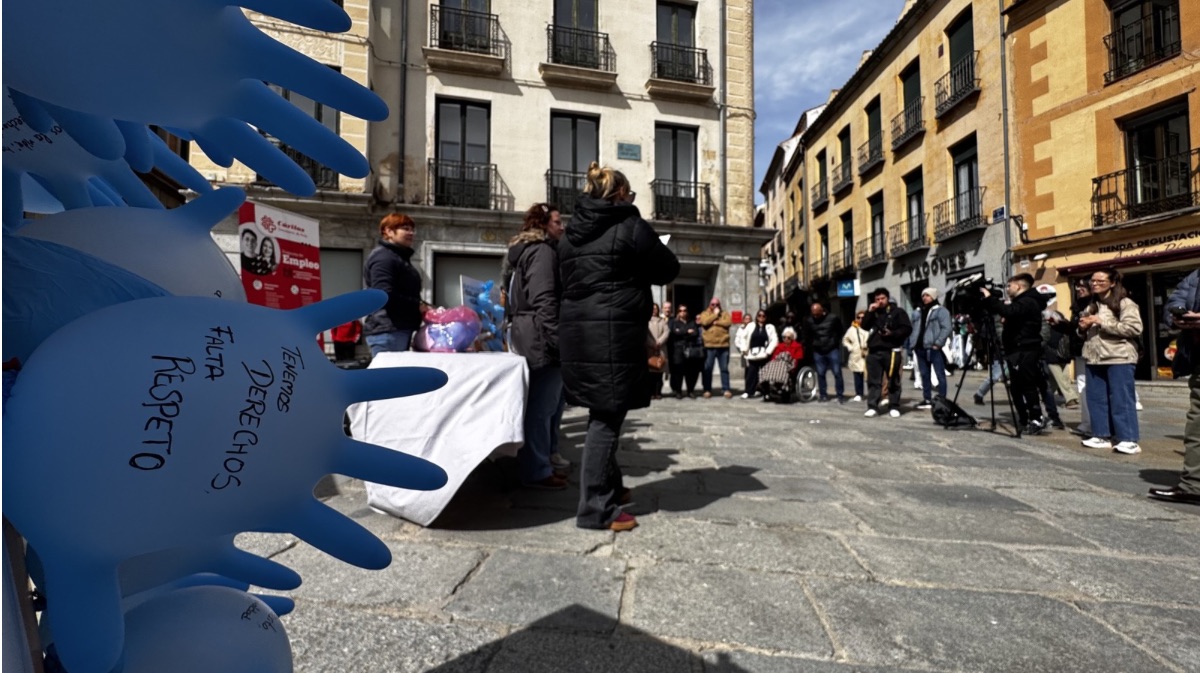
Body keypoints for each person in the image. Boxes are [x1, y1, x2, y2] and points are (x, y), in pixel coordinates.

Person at [558, 163, 679, 532]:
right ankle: (596, 510)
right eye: (630, 195)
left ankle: (612, 487)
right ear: (621, 194)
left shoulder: (568, 235)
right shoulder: (631, 227)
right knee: (606, 421)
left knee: (603, 412)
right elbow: (668, 269)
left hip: (579, 333)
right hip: (612, 334)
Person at [507, 202, 567, 490]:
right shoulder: (543, 252)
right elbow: (545, 300)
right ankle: (537, 469)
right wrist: (559, 342)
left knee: (538, 406)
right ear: (543, 225)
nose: (562, 226)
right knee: (542, 407)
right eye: (557, 221)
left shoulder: (523, 254)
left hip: (527, 333)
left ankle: (537, 462)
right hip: (541, 339)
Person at [1148, 267, 1200, 505]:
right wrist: (1177, 316)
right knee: (1196, 427)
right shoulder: (1196, 276)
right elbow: (1176, 298)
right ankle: (1194, 484)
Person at [1076, 268, 1143, 454]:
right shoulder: (1092, 305)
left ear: (1112, 283)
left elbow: (1133, 328)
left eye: (1100, 281)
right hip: (1094, 356)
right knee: (1096, 398)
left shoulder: (1125, 303)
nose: (1094, 284)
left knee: (1121, 398)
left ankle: (1128, 438)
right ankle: (1100, 434)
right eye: (1093, 281)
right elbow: (1083, 333)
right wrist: (1082, 328)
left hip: (1119, 356)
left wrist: (1101, 322)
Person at [363, 213, 427, 356]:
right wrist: (417, 305)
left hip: (397, 330)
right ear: (389, 231)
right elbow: (383, 294)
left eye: (412, 229)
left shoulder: (397, 257)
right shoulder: (384, 257)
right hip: (388, 329)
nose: (411, 233)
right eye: (405, 228)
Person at [860, 288, 912, 417]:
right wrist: (869, 311)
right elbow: (864, 326)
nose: (880, 301)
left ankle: (894, 405)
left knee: (893, 379)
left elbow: (907, 328)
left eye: (882, 298)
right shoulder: (873, 313)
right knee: (874, 380)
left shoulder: (897, 312)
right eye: (877, 299)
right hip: (874, 350)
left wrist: (893, 333)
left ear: (888, 298)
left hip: (891, 350)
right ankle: (872, 405)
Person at [912, 287, 951, 410]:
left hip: (933, 348)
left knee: (940, 374)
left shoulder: (941, 311)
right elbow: (914, 328)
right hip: (920, 348)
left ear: (933, 296)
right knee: (924, 374)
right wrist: (912, 344)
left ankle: (942, 399)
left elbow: (947, 328)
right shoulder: (919, 311)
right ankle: (927, 399)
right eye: (923, 295)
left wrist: (938, 343)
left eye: (927, 295)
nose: (924, 298)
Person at [804, 301, 845, 403]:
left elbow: (840, 331)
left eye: (817, 314)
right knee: (820, 373)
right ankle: (823, 395)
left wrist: (835, 342)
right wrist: (812, 344)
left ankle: (840, 394)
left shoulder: (833, 318)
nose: (815, 316)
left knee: (837, 372)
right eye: (813, 314)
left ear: (822, 311)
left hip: (832, 348)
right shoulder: (809, 320)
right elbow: (807, 334)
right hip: (818, 349)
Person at [735, 309, 777, 399]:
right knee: (751, 373)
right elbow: (743, 337)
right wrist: (744, 349)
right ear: (757, 317)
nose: (761, 318)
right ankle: (748, 391)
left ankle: (766, 392)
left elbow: (774, 340)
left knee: (765, 373)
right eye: (759, 316)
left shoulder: (770, 327)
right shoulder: (751, 326)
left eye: (763, 316)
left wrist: (768, 351)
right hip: (752, 353)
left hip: (764, 353)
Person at [697, 298, 734, 399]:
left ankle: (726, 389)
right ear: (709, 305)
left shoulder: (725, 313)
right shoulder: (705, 313)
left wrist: (717, 323)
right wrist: (715, 315)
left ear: (720, 305)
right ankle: (707, 389)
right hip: (709, 346)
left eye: (717, 304)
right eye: (713, 304)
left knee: (724, 369)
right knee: (708, 369)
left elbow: (728, 322)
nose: (715, 306)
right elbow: (704, 322)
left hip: (723, 345)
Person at [758, 326, 803, 401]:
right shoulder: (780, 346)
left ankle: (782, 387)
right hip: (777, 363)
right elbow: (774, 357)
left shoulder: (797, 346)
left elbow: (798, 358)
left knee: (782, 368)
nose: (786, 339)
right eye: (784, 337)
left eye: (788, 337)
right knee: (766, 368)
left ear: (792, 338)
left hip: (789, 364)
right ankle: (764, 385)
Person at [668, 304, 703, 398]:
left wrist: (681, 332)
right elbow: (674, 332)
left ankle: (690, 391)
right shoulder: (674, 322)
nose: (683, 312)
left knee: (691, 372)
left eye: (684, 310)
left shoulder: (692, 322)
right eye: (681, 310)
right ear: (678, 312)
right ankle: (678, 391)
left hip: (690, 349)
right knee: (678, 371)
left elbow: (695, 333)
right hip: (678, 349)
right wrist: (687, 332)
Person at [842, 310, 869, 402]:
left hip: (868, 354)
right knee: (857, 375)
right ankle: (859, 393)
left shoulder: (869, 328)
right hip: (856, 355)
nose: (860, 319)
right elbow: (845, 339)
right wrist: (850, 347)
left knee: (871, 376)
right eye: (858, 317)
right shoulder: (852, 329)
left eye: (863, 317)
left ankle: (872, 393)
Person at [648, 303, 670, 400]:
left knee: (659, 372)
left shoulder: (663, 321)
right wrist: (652, 343)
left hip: (660, 349)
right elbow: (645, 334)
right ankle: (651, 392)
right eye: (652, 309)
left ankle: (658, 392)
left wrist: (659, 341)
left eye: (655, 309)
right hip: (650, 349)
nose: (654, 310)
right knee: (650, 374)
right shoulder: (646, 321)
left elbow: (667, 332)